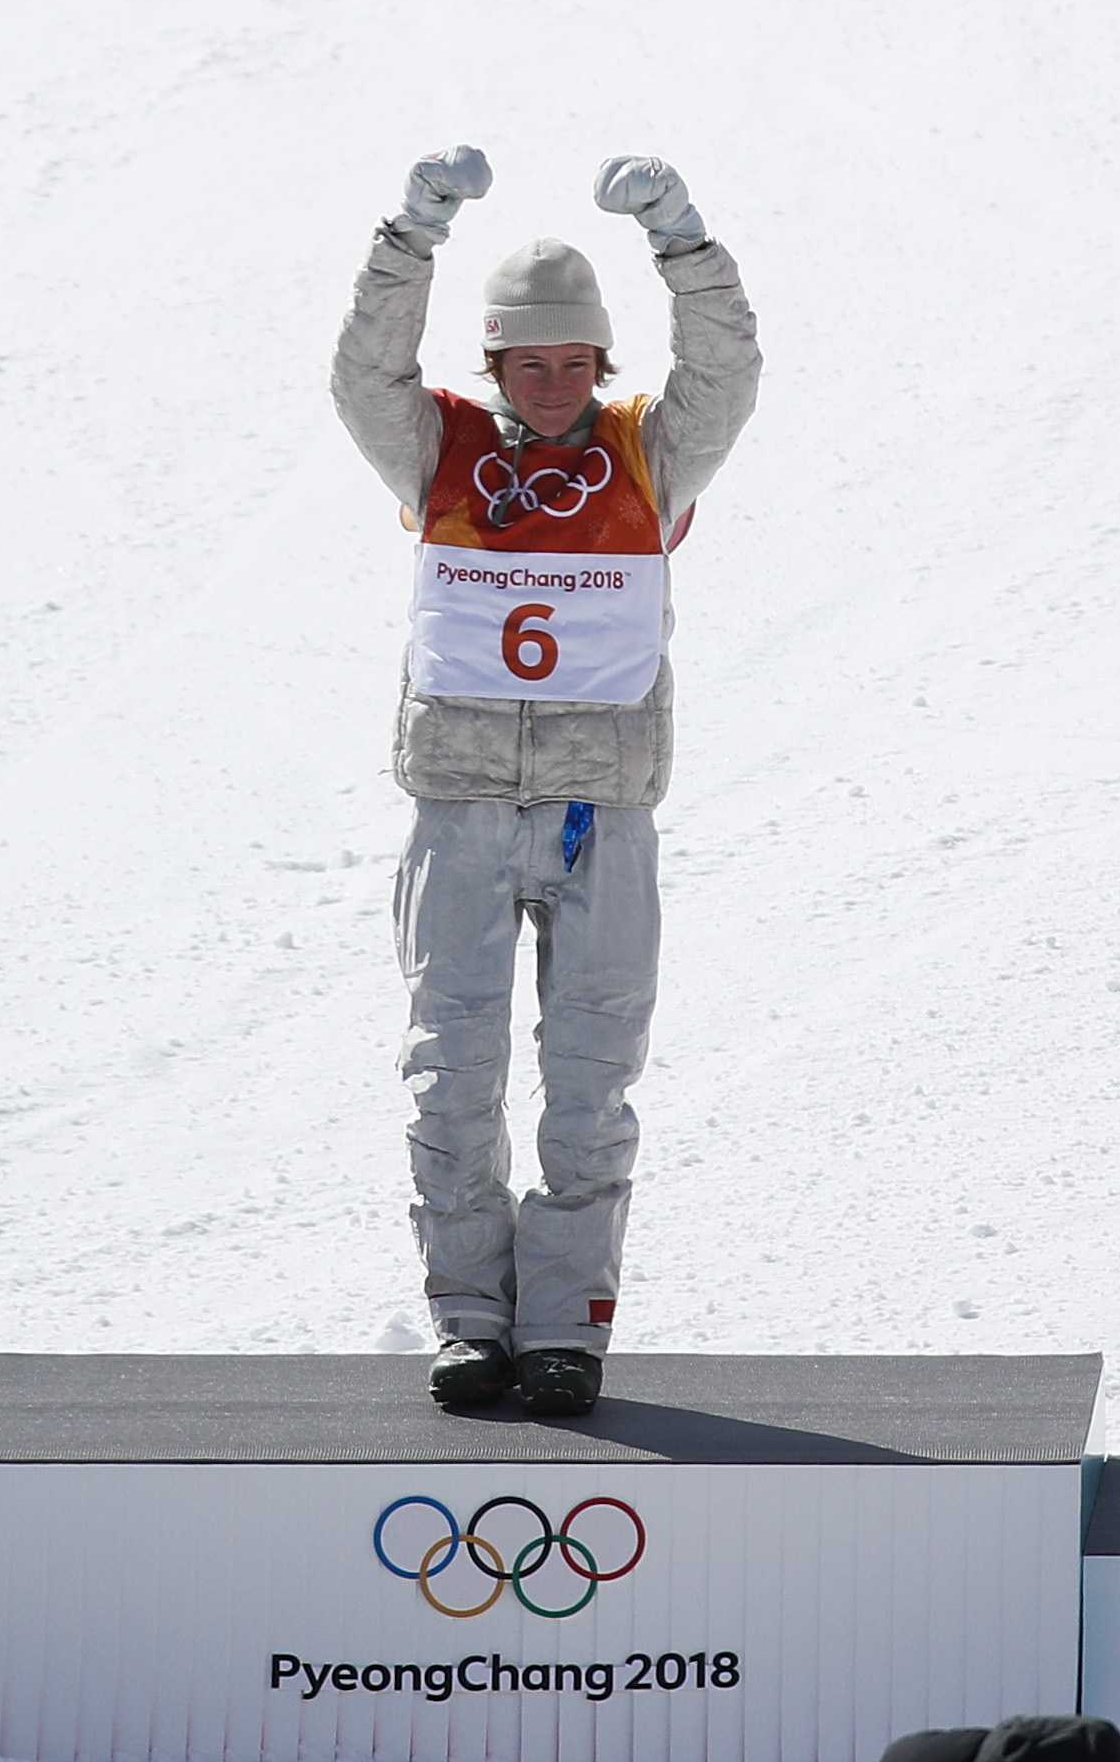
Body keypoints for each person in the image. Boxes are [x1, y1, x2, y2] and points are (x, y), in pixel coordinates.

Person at [330, 149, 762, 1417]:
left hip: (600, 814)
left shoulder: (649, 455)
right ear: (499, 363)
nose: (562, 385)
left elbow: (728, 370)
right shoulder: (438, 451)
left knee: (588, 1083)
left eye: (580, 364)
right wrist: (412, 232)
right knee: (451, 1072)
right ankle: (471, 1317)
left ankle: (566, 1323)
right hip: (460, 810)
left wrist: (681, 240)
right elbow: (365, 371)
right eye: (536, 364)